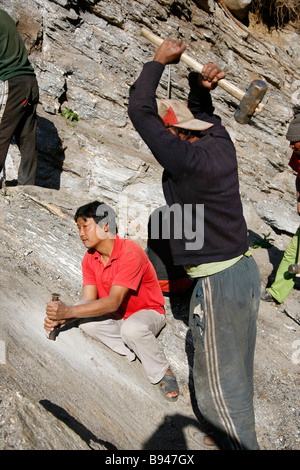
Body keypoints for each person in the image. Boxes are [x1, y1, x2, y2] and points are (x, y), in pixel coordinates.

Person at [128, 38, 261, 449]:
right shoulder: (221, 145)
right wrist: (201, 87)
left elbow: (140, 111)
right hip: (245, 272)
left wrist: (156, 63)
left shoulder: (186, 161)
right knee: (236, 367)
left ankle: (239, 445)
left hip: (220, 283)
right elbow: (205, 114)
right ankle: (224, 437)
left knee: (225, 383)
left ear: (178, 137)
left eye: (172, 134)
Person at [44, 200, 179, 401]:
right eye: (78, 227)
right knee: (87, 326)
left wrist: (69, 312)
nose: (81, 233)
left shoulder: (130, 251)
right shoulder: (90, 258)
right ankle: (134, 349)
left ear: (105, 226)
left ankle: (161, 370)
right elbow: (88, 299)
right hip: (119, 316)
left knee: (132, 329)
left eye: (85, 226)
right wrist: (64, 317)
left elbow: (114, 301)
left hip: (148, 312)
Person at [261, 106, 300, 304]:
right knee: (292, 252)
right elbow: (299, 177)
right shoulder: (298, 155)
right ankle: (277, 292)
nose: (291, 146)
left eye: (295, 142)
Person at [0, 9, 39, 185]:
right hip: (30, 81)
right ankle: (28, 185)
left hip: (13, 81)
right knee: (27, 137)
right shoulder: (4, 15)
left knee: (2, 130)